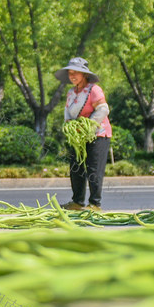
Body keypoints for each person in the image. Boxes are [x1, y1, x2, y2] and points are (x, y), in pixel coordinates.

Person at [55, 56, 112, 210]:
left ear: (84, 74)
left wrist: (87, 127)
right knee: (76, 167)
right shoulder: (71, 92)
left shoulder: (94, 90)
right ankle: (77, 201)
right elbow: (68, 111)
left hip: (97, 135)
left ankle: (95, 203)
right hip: (77, 137)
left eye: (76, 72)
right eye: (70, 73)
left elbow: (103, 109)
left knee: (93, 169)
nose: (72, 76)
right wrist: (69, 125)